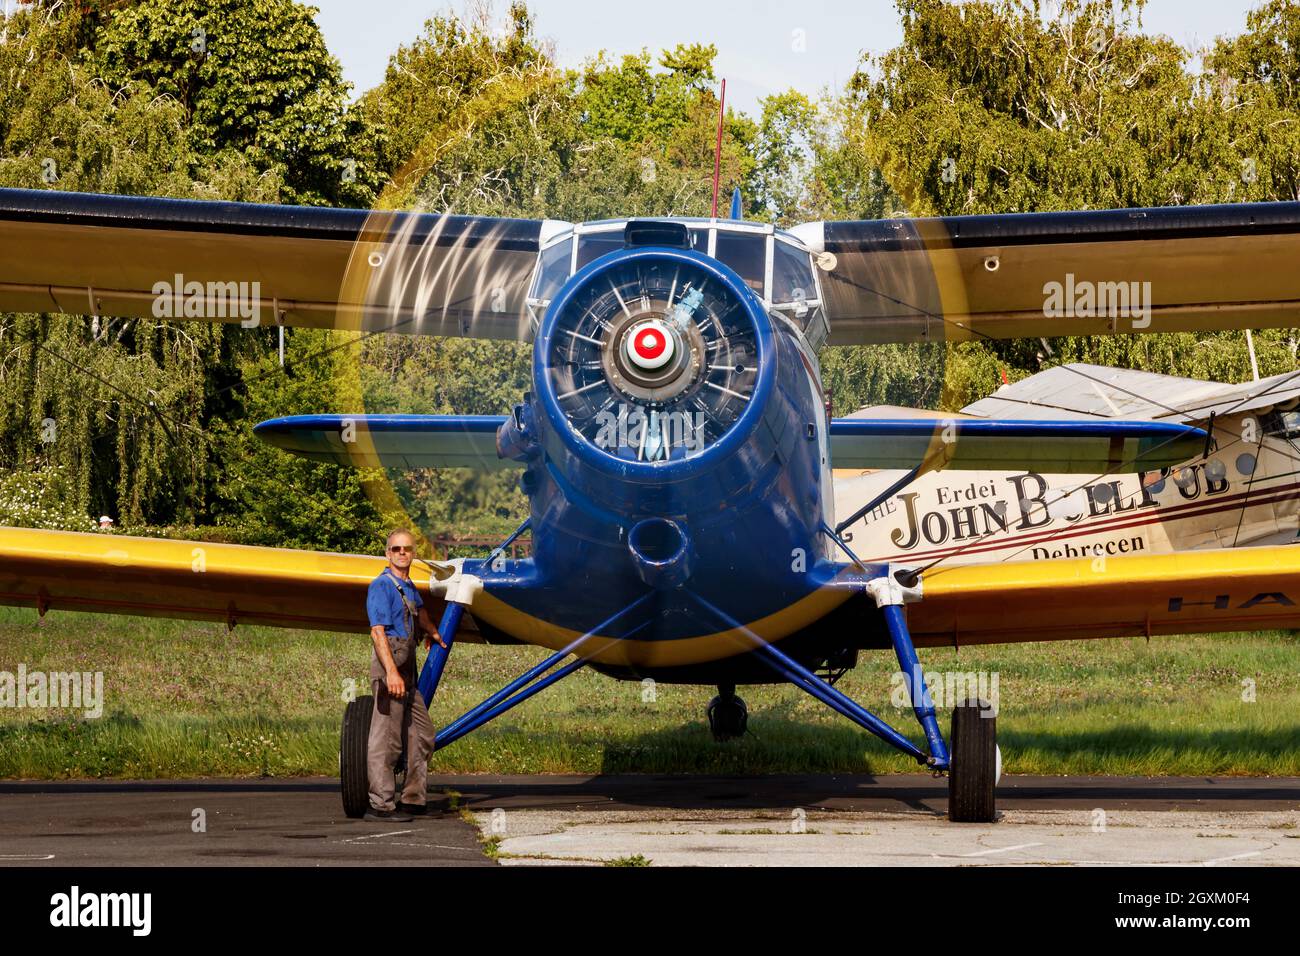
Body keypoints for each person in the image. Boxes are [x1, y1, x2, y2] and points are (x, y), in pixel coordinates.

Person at [363, 528, 447, 822]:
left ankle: (412, 798)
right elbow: (377, 633)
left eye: (407, 549)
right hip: (392, 668)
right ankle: (381, 805)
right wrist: (391, 674)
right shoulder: (381, 587)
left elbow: (419, 611)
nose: (402, 553)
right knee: (388, 739)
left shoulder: (408, 585)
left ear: (413, 553)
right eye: (396, 549)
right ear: (387, 554)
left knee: (423, 734)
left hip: (408, 670)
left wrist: (433, 630)